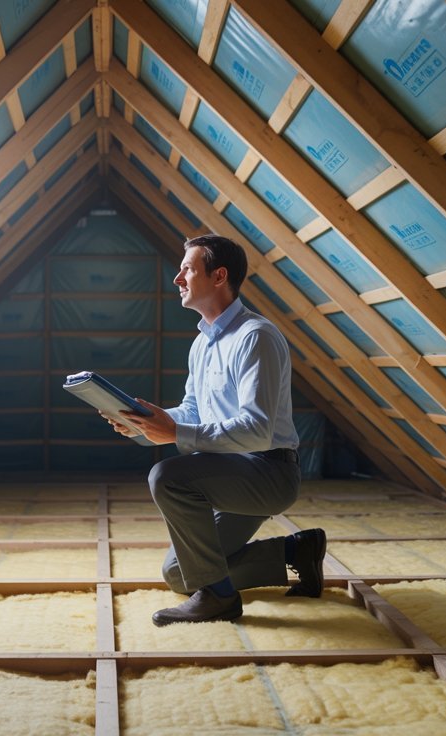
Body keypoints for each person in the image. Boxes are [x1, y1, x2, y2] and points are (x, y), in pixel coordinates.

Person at [101, 234, 326, 626]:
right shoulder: (201, 344)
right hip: (227, 472)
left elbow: (257, 430)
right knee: (179, 575)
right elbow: (192, 410)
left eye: (187, 269)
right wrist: (142, 420)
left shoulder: (255, 337)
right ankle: (295, 553)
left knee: (167, 477)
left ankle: (220, 599)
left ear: (219, 276)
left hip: (267, 472)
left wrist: (174, 433)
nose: (178, 278)